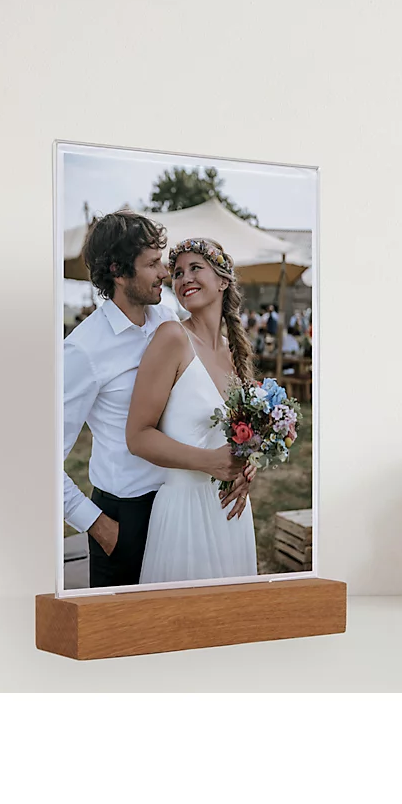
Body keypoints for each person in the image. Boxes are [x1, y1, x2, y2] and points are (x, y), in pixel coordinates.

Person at [63, 212, 249, 588]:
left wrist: (241, 465)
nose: (165, 273)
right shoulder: (83, 349)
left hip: (181, 506)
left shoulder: (167, 318)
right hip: (124, 517)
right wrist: (97, 524)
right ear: (118, 272)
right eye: (152, 264)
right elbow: (41, 458)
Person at [127, 237, 258, 584]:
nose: (184, 278)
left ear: (223, 281)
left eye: (195, 268)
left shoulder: (234, 353)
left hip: (230, 512)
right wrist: (209, 462)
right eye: (178, 273)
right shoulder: (172, 337)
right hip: (184, 513)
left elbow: (240, 436)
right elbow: (138, 437)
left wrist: (247, 467)